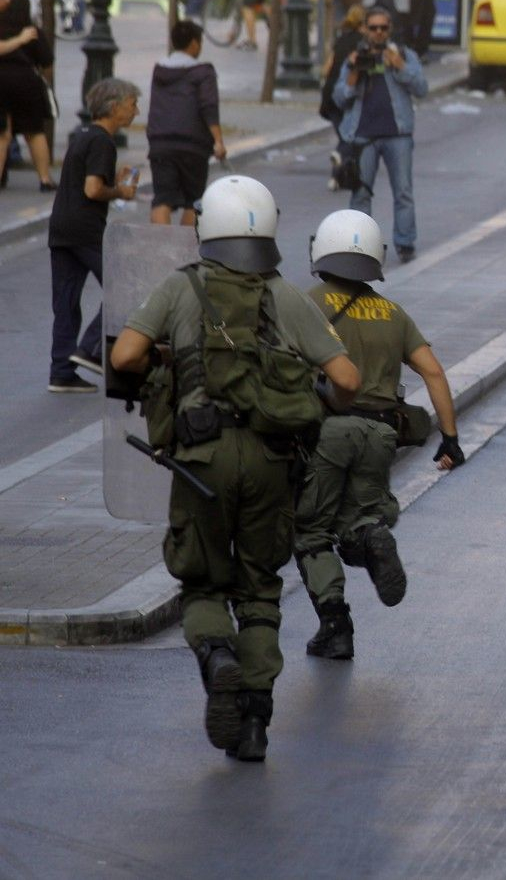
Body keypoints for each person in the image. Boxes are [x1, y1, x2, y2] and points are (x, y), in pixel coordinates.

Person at [108, 175, 362, 762]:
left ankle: (216, 654)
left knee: (202, 581)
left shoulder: (181, 287)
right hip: (273, 461)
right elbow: (347, 380)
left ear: (207, 226)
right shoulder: (287, 296)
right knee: (259, 590)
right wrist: (317, 404)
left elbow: (123, 356)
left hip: (200, 461)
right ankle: (253, 724)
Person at [295, 209, 465, 661]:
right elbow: (433, 371)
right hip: (381, 436)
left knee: (311, 532)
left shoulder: (307, 304)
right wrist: (449, 437)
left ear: (321, 249)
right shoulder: (393, 313)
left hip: (327, 434)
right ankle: (370, 536)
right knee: (359, 519)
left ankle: (336, 626)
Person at [47, 79, 139, 393]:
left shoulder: (83, 135)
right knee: (120, 286)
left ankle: (61, 371)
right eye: (131, 104)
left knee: (66, 302)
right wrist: (121, 191)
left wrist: (113, 179)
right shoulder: (103, 141)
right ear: (114, 107)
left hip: (61, 228)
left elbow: (85, 180)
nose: (135, 111)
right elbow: (93, 189)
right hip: (85, 229)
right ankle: (91, 350)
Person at [332, 6, 429, 264]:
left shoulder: (404, 54)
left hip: (397, 134)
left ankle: (405, 243)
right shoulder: (355, 58)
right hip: (363, 136)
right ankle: (359, 244)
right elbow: (339, 98)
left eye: (383, 28)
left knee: (403, 191)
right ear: (364, 29)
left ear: (390, 30)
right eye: (373, 28)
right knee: (361, 193)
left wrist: (400, 66)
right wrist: (354, 74)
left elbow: (422, 88)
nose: (378, 33)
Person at [147, 21, 225, 227]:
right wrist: (218, 141)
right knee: (194, 200)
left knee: (162, 198)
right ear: (193, 43)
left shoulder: (159, 69)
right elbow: (209, 106)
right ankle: (183, 253)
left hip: (160, 143)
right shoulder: (203, 72)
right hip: (193, 146)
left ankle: (161, 250)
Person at [0, 0, 55, 189]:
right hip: (26, 82)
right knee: (34, 131)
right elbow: (47, 62)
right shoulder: (31, 30)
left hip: (2, 82)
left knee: (2, 134)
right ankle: (44, 178)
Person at [320, 5, 366, 187]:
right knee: (350, 138)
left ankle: (337, 177)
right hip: (347, 95)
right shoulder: (363, 44)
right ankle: (340, 169)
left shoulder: (341, 39)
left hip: (329, 95)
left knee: (346, 137)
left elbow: (326, 68)